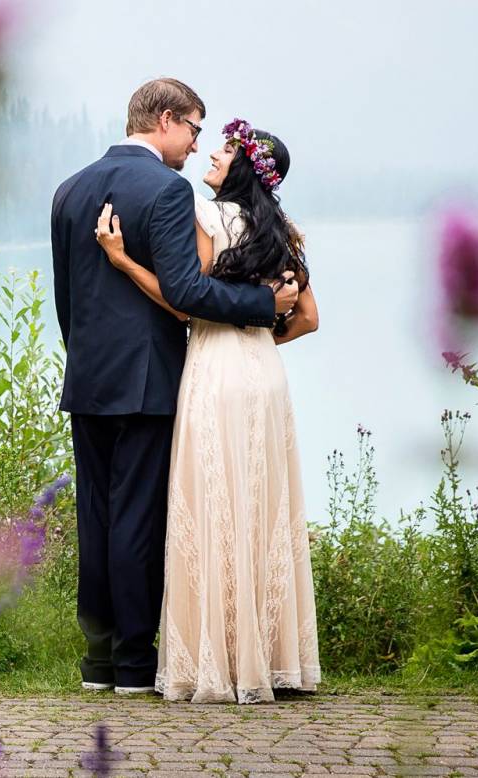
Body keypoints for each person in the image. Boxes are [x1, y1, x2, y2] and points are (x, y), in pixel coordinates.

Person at [49, 78, 297, 694]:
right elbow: (186, 291)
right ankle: (134, 664)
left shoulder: (68, 190)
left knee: (96, 517)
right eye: (191, 128)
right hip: (148, 381)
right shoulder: (165, 189)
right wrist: (263, 304)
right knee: (136, 518)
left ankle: (97, 663)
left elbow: (66, 301)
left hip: (87, 379)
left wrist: (85, 358)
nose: (193, 145)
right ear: (164, 120)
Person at [95, 115, 321, 703]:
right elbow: (307, 319)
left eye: (224, 151)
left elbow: (183, 301)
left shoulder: (207, 215)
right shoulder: (287, 232)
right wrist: (260, 336)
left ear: (243, 167)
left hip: (215, 370)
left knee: (212, 502)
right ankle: (273, 659)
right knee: (262, 503)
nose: (212, 156)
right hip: (265, 375)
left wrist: (122, 262)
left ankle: (218, 659)